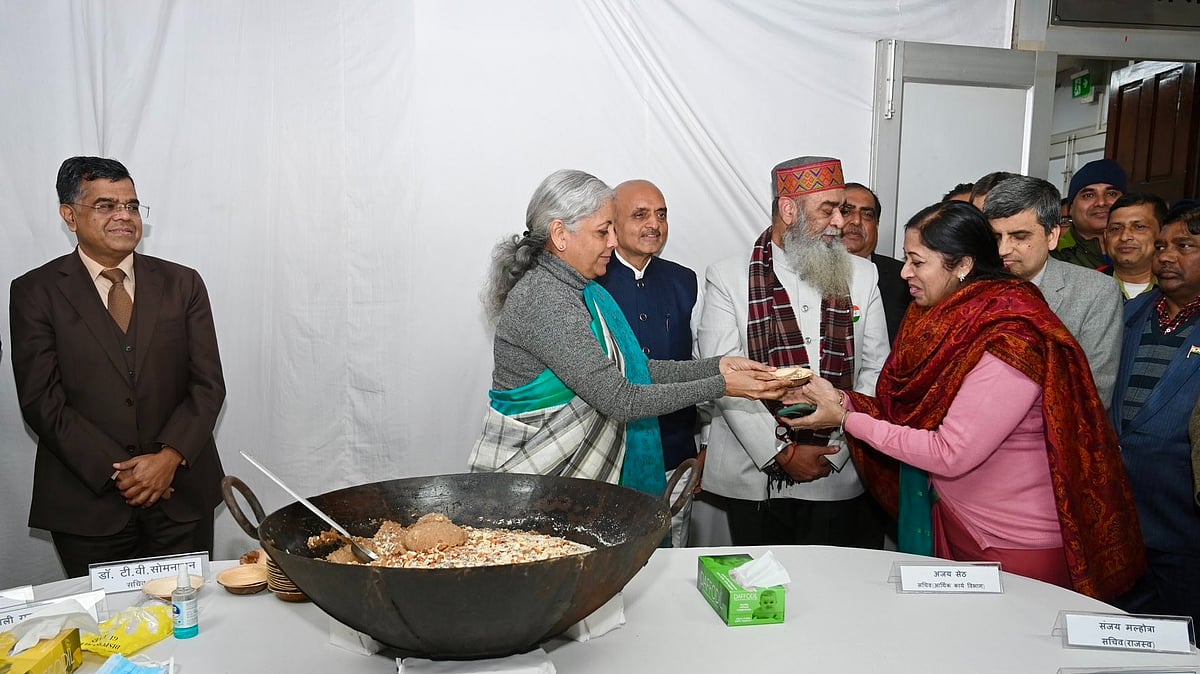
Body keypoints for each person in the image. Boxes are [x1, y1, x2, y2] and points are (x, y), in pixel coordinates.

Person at [785, 200, 1144, 600]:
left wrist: (846, 419)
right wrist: (840, 400)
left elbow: (950, 451)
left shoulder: (1010, 336)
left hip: (1014, 543)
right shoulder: (941, 315)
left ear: (962, 266)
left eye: (917, 262)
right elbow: (909, 411)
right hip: (958, 522)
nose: (904, 272)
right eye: (906, 259)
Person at [469, 169, 787, 499]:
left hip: (560, 487)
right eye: (603, 231)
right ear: (560, 234)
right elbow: (621, 398)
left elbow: (637, 370)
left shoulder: (582, 290)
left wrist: (719, 366)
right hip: (533, 480)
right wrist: (722, 384)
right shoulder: (546, 297)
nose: (613, 241)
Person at [9, 156, 226, 578]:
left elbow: (208, 384)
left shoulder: (183, 284)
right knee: (109, 638)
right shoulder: (35, 291)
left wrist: (168, 458)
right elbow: (40, 399)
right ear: (69, 215)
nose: (124, 216)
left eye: (131, 205)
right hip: (86, 503)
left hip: (179, 494)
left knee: (192, 624)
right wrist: (123, 473)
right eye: (106, 205)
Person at [697, 156, 890, 548]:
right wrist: (781, 453)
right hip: (755, 475)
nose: (841, 221)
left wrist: (835, 445)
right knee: (760, 596)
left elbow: (875, 369)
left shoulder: (864, 274)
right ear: (789, 209)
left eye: (845, 209)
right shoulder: (728, 276)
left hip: (836, 466)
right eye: (829, 209)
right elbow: (723, 378)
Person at [595, 179, 701, 545]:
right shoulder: (590, 282)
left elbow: (693, 362)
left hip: (674, 450)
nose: (653, 224)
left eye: (661, 214)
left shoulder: (683, 281)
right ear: (612, 224)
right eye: (639, 215)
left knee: (670, 555)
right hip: (609, 455)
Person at [1110, 206, 1200, 623]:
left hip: (1184, 526)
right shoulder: (1129, 313)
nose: (1165, 256)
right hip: (1118, 523)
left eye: (1184, 246)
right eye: (1162, 246)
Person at [982, 175, 1122, 404]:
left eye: (1019, 236)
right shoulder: (974, 288)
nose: (1003, 250)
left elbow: (1094, 393)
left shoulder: (1095, 291)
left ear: (1052, 236)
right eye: (996, 237)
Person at [841, 182, 911, 344]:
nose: (857, 221)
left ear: (877, 225)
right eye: (847, 211)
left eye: (867, 215)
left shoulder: (904, 280)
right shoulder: (807, 274)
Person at [1053, 158, 1127, 270]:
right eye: (1089, 195)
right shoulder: (1051, 256)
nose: (1101, 202)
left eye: (1111, 194)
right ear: (1070, 208)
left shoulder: (1149, 252)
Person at [1103, 193, 1167, 300]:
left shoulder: (1180, 290)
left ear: (1163, 233)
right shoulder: (1085, 286)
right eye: (1115, 229)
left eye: (1139, 227)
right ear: (1105, 236)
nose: (1124, 237)